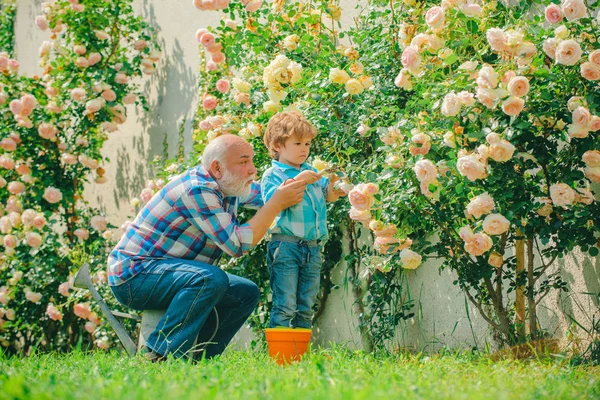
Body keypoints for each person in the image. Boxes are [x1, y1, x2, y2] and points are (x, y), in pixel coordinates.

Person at [107, 134, 307, 361]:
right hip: (135, 277)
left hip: (168, 273)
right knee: (210, 278)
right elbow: (237, 244)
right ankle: (159, 355)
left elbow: (268, 195)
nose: (252, 169)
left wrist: (314, 189)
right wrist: (275, 204)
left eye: (251, 161)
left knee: (245, 292)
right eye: (243, 162)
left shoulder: (229, 185)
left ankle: (200, 359)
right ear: (217, 167)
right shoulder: (197, 189)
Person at [261, 111, 346, 329]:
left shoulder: (311, 171)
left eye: (307, 144)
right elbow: (275, 202)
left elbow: (328, 196)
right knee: (285, 305)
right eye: (297, 143)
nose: (304, 149)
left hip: (312, 248)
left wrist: (335, 186)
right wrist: (299, 180)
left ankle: (298, 356)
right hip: (286, 245)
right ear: (278, 145)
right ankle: (280, 358)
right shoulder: (273, 174)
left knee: (306, 305)